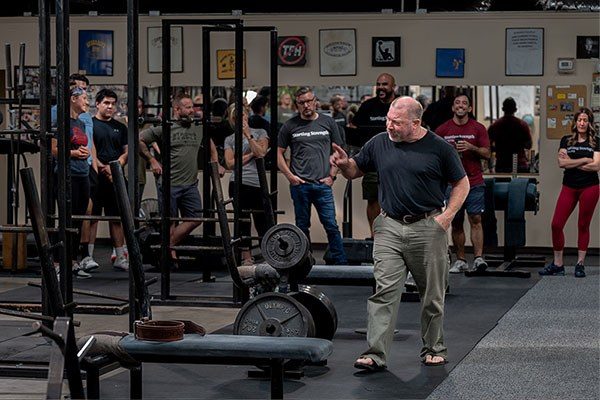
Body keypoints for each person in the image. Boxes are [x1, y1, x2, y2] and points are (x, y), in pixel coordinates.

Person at [331, 96, 468, 369]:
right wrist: (345, 164)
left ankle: (434, 347)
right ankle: (375, 354)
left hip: (428, 226)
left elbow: (461, 183)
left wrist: (446, 217)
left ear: (415, 123)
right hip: (389, 226)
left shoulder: (439, 148)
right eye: (388, 120)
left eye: (396, 122)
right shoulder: (379, 142)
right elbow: (355, 170)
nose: (389, 126)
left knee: (431, 294)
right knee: (384, 291)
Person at [139, 92, 220, 262]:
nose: (192, 110)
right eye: (188, 107)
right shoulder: (165, 128)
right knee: (169, 222)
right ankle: (170, 256)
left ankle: (167, 246)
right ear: (177, 109)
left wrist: (216, 162)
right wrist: (152, 160)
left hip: (190, 184)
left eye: (193, 107)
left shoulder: (198, 127)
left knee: (196, 218)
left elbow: (210, 144)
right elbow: (140, 139)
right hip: (169, 184)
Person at [277, 87, 347, 265]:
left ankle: (340, 264)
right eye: (302, 103)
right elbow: (278, 154)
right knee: (302, 226)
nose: (306, 105)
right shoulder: (290, 126)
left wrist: (332, 176)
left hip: (323, 185)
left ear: (315, 101)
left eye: (309, 101)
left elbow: (339, 151)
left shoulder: (328, 123)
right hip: (300, 185)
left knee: (331, 225)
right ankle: (305, 262)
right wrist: (290, 176)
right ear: (297, 105)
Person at [539, 108, 599, 278]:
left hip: (590, 187)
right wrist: (585, 160)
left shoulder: (596, 142)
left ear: (589, 123)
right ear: (575, 122)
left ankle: (580, 264)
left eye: (585, 120)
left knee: (583, 225)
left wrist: (571, 162)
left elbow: (596, 166)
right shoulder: (566, 140)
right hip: (569, 187)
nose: (582, 123)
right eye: (579, 120)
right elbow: (561, 163)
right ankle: (558, 264)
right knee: (556, 224)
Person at [436, 94, 491, 273]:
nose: (461, 106)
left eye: (465, 103)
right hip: (452, 184)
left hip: (474, 181)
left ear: (470, 109)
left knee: (476, 219)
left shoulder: (478, 128)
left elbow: (487, 153)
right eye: (457, 103)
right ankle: (460, 260)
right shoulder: (442, 130)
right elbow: (433, 156)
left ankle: (478, 258)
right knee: (456, 221)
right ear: (453, 108)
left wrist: (471, 147)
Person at [51, 85, 94, 279]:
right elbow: (53, 149)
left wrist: (83, 154)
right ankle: (59, 263)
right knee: (66, 219)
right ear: (73, 99)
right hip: (66, 175)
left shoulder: (82, 123)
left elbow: (83, 146)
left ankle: (73, 262)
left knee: (78, 219)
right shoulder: (61, 121)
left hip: (82, 174)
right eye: (84, 98)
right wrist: (74, 153)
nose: (87, 102)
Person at [350, 73, 397, 237]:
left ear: (393, 87)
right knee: (373, 200)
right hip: (372, 163)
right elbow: (353, 127)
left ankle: (393, 236)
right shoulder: (368, 106)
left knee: (397, 198)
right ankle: (375, 236)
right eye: (378, 84)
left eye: (385, 84)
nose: (381, 87)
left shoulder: (400, 106)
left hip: (397, 161)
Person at [224, 104, 270, 265]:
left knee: (262, 220)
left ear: (247, 115)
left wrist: (248, 136)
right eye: (237, 118)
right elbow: (230, 164)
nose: (241, 120)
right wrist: (251, 154)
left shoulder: (260, 133)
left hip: (257, 183)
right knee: (243, 221)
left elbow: (261, 153)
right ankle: (247, 258)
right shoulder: (230, 139)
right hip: (238, 183)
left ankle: (269, 256)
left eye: (243, 116)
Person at [89, 89, 129, 271]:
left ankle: (120, 256)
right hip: (96, 177)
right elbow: (90, 150)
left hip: (116, 178)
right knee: (92, 218)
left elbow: (126, 151)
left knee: (116, 218)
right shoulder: (89, 125)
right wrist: (103, 168)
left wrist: (117, 165)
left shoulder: (120, 127)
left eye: (112, 103)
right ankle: (87, 256)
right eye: (106, 103)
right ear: (97, 104)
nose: (110, 106)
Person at [488, 97, 533, 173]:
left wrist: (498, 148)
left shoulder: (495, 125)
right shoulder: (522, 125)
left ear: (502, 109)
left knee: (501, 185)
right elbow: (528, 145)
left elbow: (488, 146)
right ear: (515, 110)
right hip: (519, 164)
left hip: (502, 165)